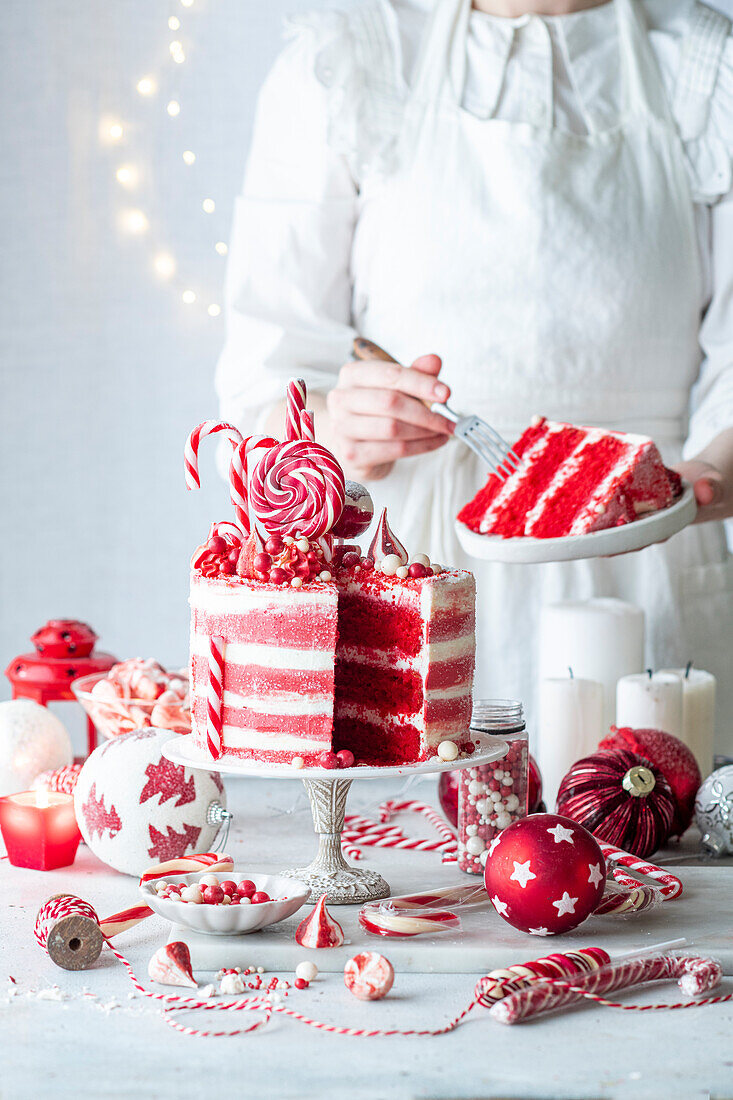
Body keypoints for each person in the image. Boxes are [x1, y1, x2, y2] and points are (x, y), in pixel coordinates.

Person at [216, 0, 733, 727]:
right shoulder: (350, 57)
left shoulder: (708, 68)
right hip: (417, 578)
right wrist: (336, 424)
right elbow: (260, 380)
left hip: (647, 557)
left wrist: (718, 467)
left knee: (642, 811)